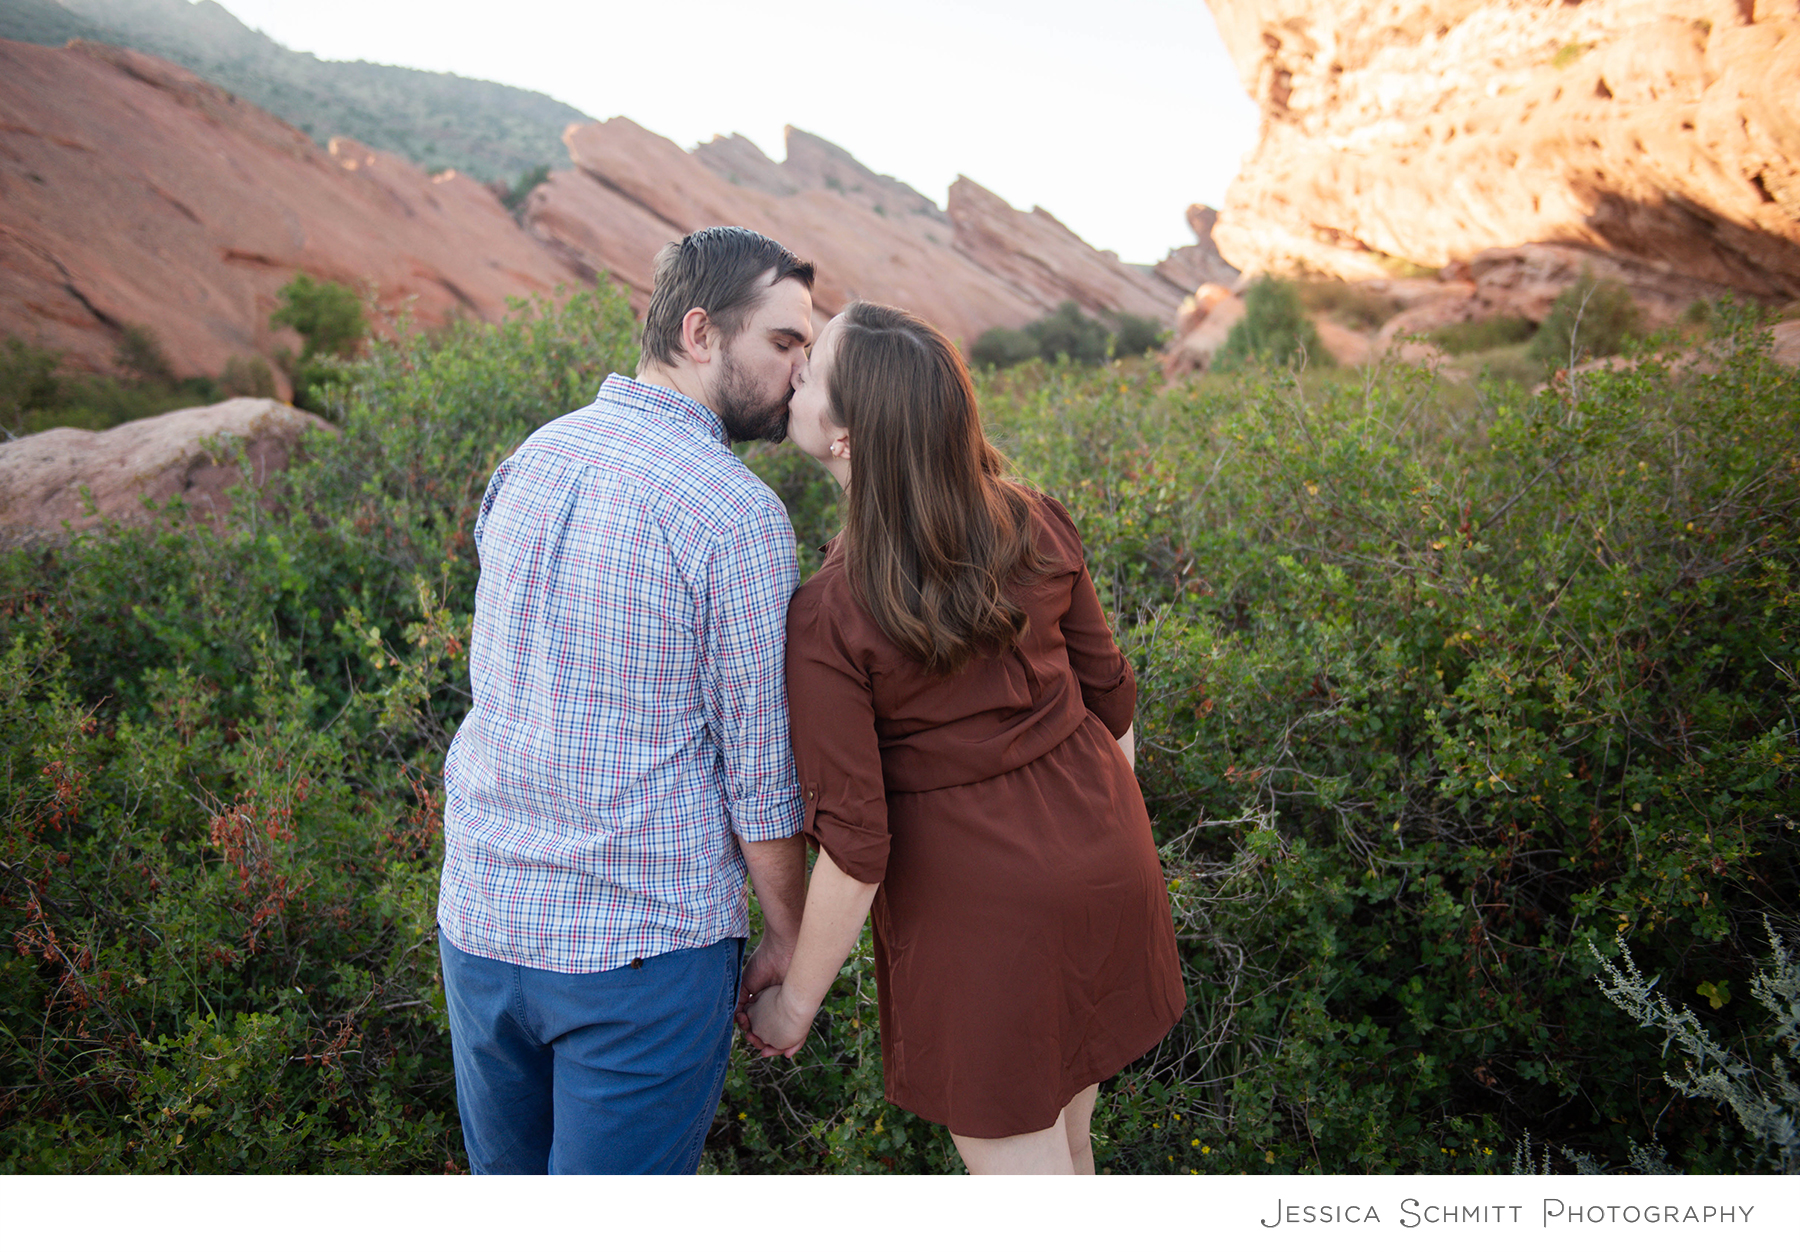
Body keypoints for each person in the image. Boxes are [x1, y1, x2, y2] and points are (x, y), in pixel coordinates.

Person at [744, 301, 1185, 1174]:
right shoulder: (1034, 517)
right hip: (1110, 863)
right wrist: (1102, 841)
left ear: (847, 440)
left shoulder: (831, 615)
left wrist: (793, 1008)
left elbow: (858, 847)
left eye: (813, 369)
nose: (794, 373)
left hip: (988, 927)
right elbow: (1113, 706)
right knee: (1069, 1147)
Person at [437, 226, 817, 1174]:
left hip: (481, 925)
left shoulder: (532, 456)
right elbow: (760, 775)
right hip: (640, 953)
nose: (801, 375)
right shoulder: (736, 514)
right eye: (783, 344)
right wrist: (789, 939)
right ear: (700, 333)